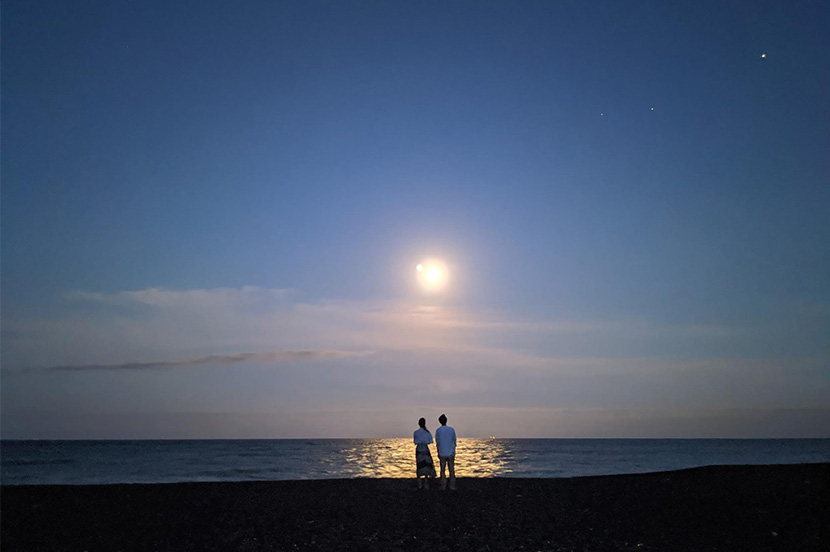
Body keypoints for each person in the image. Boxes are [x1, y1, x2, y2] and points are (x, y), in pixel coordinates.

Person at [435, 413, 457, 490]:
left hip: (442, 452)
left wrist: (438, 451)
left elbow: (437, 442)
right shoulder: (451, 430)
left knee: (443, 470)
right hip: (450, 452)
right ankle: (452, 485)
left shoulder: (438, 431)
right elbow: (454, 441)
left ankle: (443, 485)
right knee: (451, 469)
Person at [413, 417, 436, 489]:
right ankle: (426, 482)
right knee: (426, 465)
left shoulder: (416, 432)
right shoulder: (427, 432)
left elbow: (415, 442)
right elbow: (430, 441)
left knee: (419, 465)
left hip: (419, 449)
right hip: (425, 449)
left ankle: (420, 483)